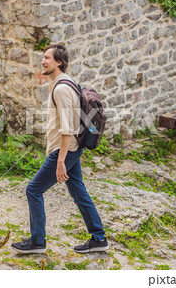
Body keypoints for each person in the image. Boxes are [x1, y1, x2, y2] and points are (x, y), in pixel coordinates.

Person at [11, 44, 109, 254]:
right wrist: (46, 79)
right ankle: (99, 238)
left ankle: (38, 242)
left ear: (59, 63)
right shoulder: (66, 81)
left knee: (33, 190)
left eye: (47, 58)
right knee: (79, 192)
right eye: (43, 58)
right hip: (72, 148)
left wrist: (61, 161)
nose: (43, 61)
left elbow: (68, 128)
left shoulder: (62, 89)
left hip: (64, 150)